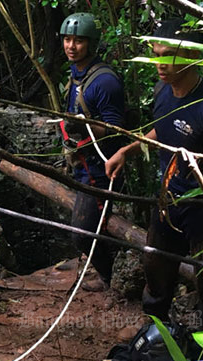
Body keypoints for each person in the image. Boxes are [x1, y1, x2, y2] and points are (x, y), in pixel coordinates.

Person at [105, 18, 203, 321]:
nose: (160, 65)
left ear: (192, 56)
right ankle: (156, 333)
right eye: (156, 55)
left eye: (168, 57)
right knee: (155, 269)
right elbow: (164, 131)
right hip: (168, 200)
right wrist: (126, 150)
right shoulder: (162, 92)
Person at [60, 13, 126, 292]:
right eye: (67, 39)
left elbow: (117, 129)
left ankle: (110, 278)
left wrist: (83, 128)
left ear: (91, 43)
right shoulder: (76, 76)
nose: (71, 46)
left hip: (100, 169)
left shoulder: (104, 82)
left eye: (78, 41)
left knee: (83, 233)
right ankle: (104, 271)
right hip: (81, 163)